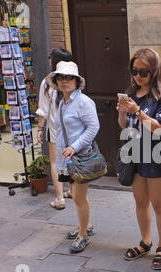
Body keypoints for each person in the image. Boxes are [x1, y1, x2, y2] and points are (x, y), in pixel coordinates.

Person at [117, 48, 161, 270]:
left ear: (154, 71)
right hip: (135, 155)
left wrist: (137, 111)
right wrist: (122, 112)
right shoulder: (131, 94)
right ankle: (146, 241)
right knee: (140, 202)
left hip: (156, 156)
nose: (138, 76)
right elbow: (124, 126)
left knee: (159, 204)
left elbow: (159, 129)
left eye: (143, 72)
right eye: (134, 71)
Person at [45, 61, 100, 253]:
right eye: (60, 77)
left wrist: (74, 147)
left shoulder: (83, 102)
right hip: (67, 159)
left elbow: (94, 128)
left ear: (77, 81)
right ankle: (87, 226)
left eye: (69, 77)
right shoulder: (62, 102)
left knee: (78, 198)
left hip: (80, 157)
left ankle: (83, 234)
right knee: (77, 196)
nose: (64, 81)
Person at [36, 48, 74, 210]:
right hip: (73, 129)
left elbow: (43, 110)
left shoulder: (48, 82)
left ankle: (59, 199)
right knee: (70, 159)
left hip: (55, 129)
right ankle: (72, 190)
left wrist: (39, 129)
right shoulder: (73, 79)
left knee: (55, 163)